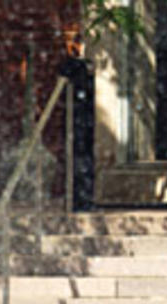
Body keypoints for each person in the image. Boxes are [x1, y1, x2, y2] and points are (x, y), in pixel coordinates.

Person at [58, 26, 95, 212]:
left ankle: (85, 197)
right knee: (77, 158)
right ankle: (77, 198)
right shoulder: (70, 65)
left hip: (87, 120)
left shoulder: (87, 66)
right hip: (75, 118)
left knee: (85, 158)